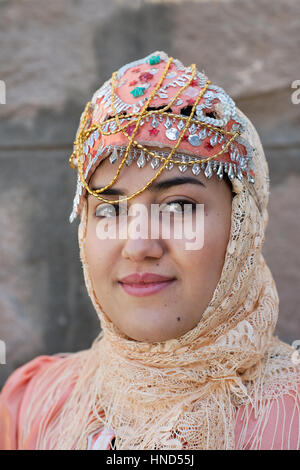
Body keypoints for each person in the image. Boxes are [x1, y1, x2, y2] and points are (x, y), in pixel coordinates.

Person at [0, 51, 299, 450]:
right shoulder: (33, 408)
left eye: (178, 206)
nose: (139, 245)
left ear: (242, 227)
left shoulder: (289, 416)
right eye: (109, 209)